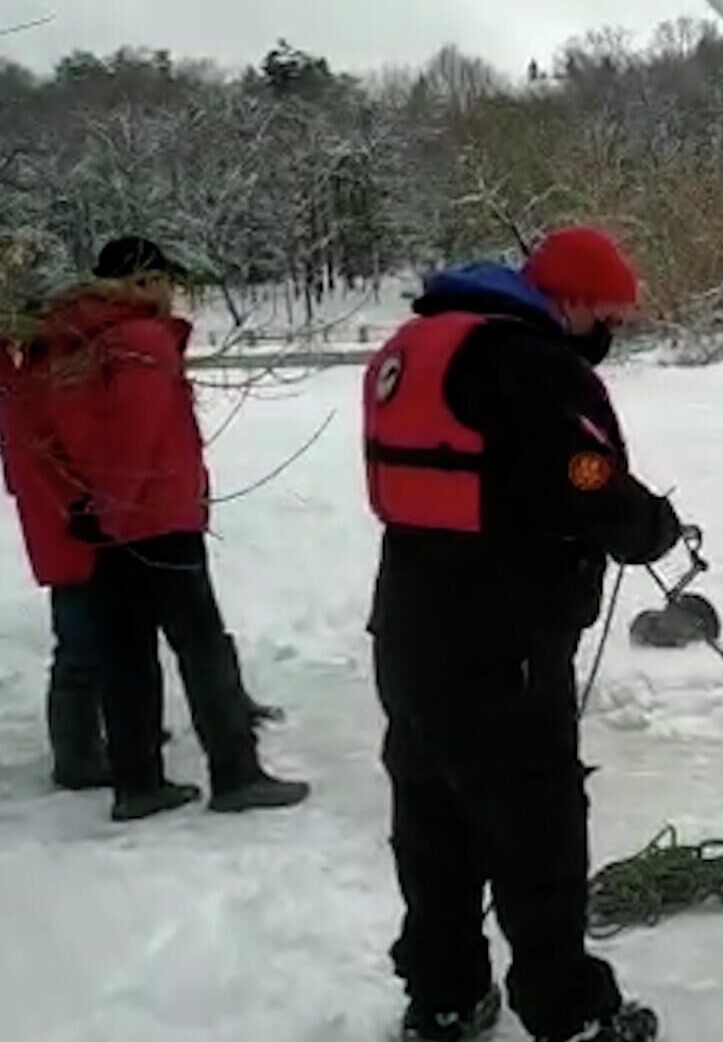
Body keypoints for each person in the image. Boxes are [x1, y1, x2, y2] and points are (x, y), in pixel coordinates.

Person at [365, 227, 681, 1042]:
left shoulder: (415, 346)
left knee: (434, 819)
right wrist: (650, 527)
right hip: (501, 642)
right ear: (569, 299)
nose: (611, 329)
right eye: (607, 312)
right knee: (535, 830)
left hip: (410, 627)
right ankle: (568, 1010)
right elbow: (585, 480)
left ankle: (445, 995)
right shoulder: (528, 365)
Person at [25, 237, 302, 822]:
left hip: (99, 524)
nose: (173, 294)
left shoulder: (62, 341)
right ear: (144, 280)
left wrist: (90, 510)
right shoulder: (141, 344)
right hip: (155, 520)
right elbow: (138, 438)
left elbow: (46, 431)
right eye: (167, 281)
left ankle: (138, 781)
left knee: (125, 655)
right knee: (201, 647)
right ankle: (236, 772)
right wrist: (120, 507)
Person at [2, 233, 110, 790]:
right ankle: (77, 752)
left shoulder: (29, 369)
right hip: (69, 521)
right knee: (81, 638)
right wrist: (84, 503)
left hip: (60, 518)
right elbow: (55, 451)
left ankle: (89, 737)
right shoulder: (40, 375)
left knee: (85, 633)